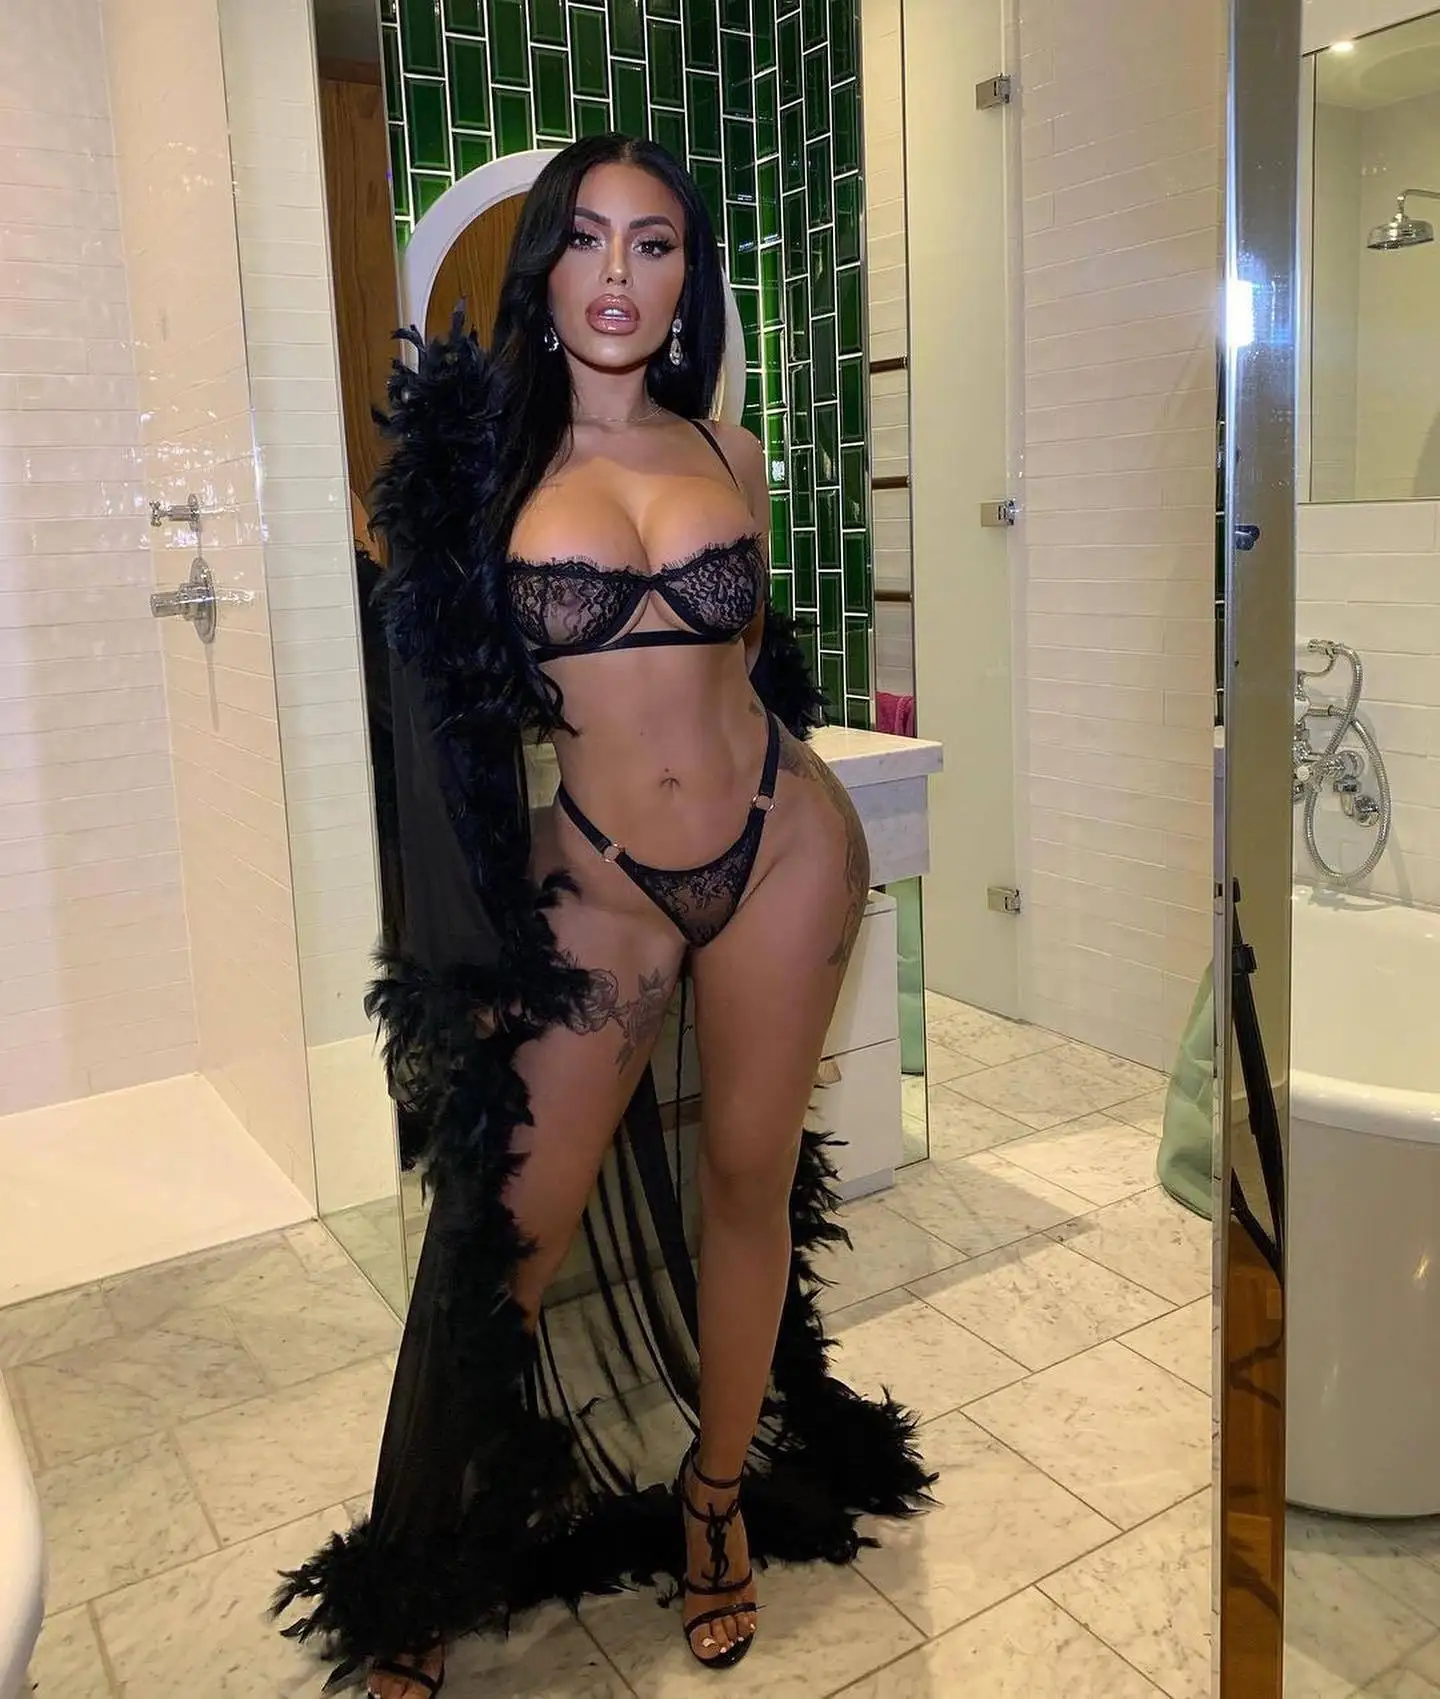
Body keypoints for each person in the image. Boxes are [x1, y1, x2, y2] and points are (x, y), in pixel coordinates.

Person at [272, 133, 932, 1699]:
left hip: (781, 852)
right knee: (508, 1228)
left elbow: (743, 667)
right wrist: (468, 937)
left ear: (688, 273)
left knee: (748, 1183)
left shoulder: (731, 451)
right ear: (543, 269)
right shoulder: (483, 473)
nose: (620, 273)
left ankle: (716, 1502)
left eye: (655, 242)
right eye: (587, 238)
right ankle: (429, 1552)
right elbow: (433, 715)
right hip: (602, 885)